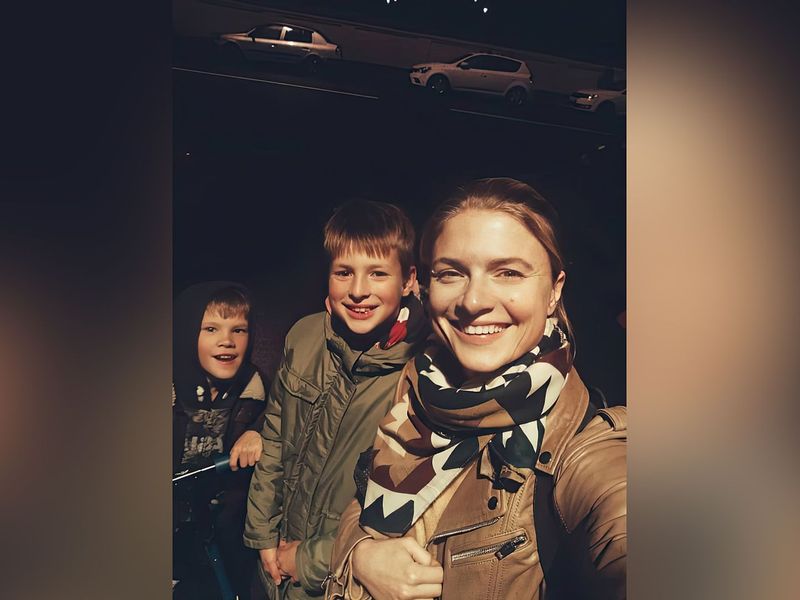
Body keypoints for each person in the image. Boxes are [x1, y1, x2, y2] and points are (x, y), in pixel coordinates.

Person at [325, 178, 627, 600]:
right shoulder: (419, 388)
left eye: (508, 273)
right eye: (451, 274)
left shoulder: (584, 451)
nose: (473, 301)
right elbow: (363, 499)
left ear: (554, 290)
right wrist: (360, 554)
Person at [244, 200, 429, 599]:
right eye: (344, 272)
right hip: (275, 562)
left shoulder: (423, 372)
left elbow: (411, 512)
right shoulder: (304, 336)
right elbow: (274, 437)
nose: (358, 290)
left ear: (408, 280)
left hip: (342, 580)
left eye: (378, 273)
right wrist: (262, 535)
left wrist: (308, 560)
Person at [172, 281, 268, 600]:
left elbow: (280, 421)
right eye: (211, 329)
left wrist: (258, 431)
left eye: (238, 330)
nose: (227, 341)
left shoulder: (255, 389)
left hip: (217, 531)